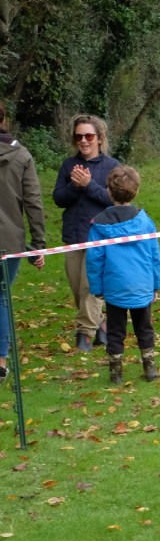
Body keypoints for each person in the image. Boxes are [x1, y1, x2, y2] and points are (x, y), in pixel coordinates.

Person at [86, 166, 160, 383]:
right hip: (141, 285)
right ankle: (150, 368)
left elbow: (94, 260)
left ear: (109, 191)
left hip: (114, 287)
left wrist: (97, 288)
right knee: (144, 327)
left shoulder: (98, 226)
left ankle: (116, 373)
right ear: (136, 191)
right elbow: (154, 256)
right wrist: (156, 285)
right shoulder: (145, 223)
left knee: (115, 330)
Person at [52, 114, 120, 352]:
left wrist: (89, 185)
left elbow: (114, 199)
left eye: (88, 136)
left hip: (100, 237)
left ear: (99, 138)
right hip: (73, 236)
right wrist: (75, 186)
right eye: (78, 136)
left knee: (89, 288)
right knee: (77, 289)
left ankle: (84, 335)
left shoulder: (112, 166)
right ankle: (101, 327)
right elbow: (58, 198)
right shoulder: (68, 166)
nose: (83, 141)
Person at [0, 100, 46, 381]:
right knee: (1, 297)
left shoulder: (22, 155)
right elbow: (33, 202)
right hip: (10, 241)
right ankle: (1, 360)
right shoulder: (22, 156)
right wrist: (38, 243)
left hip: (9, 241)